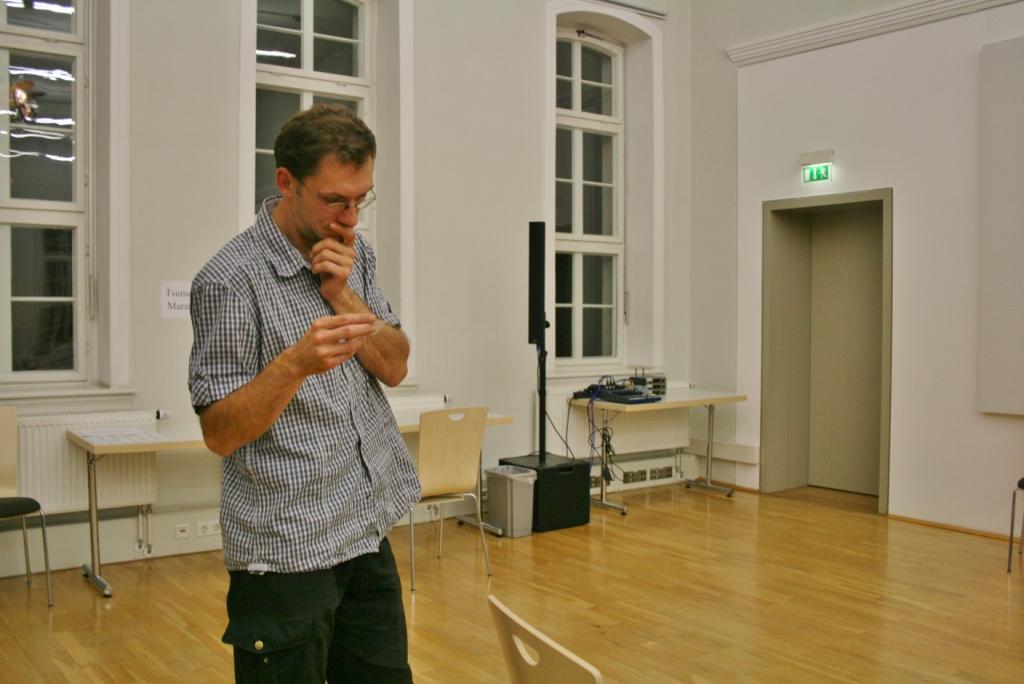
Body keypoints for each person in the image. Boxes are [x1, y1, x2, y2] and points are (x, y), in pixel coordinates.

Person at [188, 104, 420, 683]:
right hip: (286, 552)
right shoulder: (229, 280)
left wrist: (343, 295)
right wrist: (293, 364)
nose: (351, 216)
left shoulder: (355, 255)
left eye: (362, 198)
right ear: (286, 182)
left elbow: (395, 366)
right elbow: (219, 433)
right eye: (335, 200)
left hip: (365, 528)